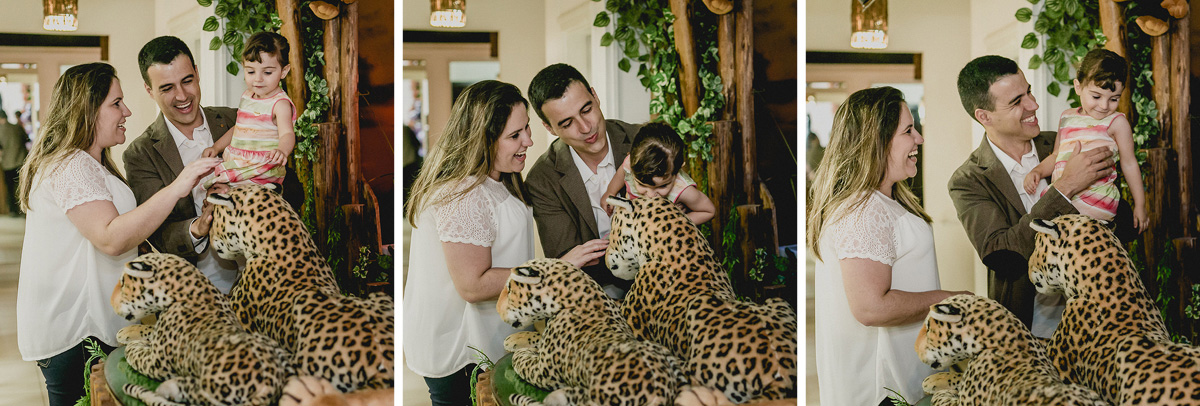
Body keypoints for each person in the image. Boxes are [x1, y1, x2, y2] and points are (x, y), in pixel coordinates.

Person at [16, 62, 221, 406]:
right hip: (78, 330)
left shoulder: (90, 163)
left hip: (92, 324)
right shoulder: (71, 165)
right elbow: (110, 238)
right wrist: (179, 185)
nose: (127, 111)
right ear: (87, 110)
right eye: (116, 103)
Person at [403, 80, 607, 405]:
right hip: (464, 355)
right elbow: (472, 285)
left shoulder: (497, 179)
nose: (529, 140)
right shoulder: (462, 194)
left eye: (526, 128)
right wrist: (555, 268)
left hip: (490, 340)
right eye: (515, 136)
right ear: (482, 139)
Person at [808, 86, 970, 405]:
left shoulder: (877, 202)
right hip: (882, 390)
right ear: (877, 142)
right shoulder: (863, 211)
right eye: (908, 131)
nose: (919, 138)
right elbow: (870, 307)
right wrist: (952, 299)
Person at [949, 55, 1127, 336]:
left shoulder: (1069, 139)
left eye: (1029, 91)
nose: (1033, 104)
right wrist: (1066, 187)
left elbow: (1126, 223)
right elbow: (1003, 257)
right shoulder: (969, 180)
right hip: (1029, 333)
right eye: (1016, 101)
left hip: (1102, 320)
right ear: (984, 116)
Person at [124, 36, 267, 293]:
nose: (182, 96)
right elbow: (156, 233)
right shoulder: (140, 154)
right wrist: (200, 226)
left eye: (187, 81)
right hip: (197, 292)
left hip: (268, 278)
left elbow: (292, 187)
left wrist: (249, 195)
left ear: (197, 73)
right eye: (167, 88)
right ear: (149, 90)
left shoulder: (238, 119)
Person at [526, 63, 636, 297]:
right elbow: (568, 260)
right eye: (567, 123)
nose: (586, 127)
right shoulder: (542, 180)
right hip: (591, 296)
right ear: (549, 128)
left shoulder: (642, 140)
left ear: (595, 96)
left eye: (586, 109)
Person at [1023, 48, 1148, 231]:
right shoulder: (1067, 117)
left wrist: (1140, 205)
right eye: (1096, 96)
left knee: (1055, 220)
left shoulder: (1117, 122)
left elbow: (1129, 164)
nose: (1104, 106)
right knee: (1045, 205)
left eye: (1114, 99)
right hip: (1066, 198)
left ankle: (1063, 228)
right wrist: (1038, 171)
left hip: (1098, 200)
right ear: (1078, 87)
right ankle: (1060, 229)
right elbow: (1057, 155)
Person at [202, 31, 296, 189]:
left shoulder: (279, 104)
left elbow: (287, 133)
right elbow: (238, 129)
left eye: (267, 72)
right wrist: (216, 147)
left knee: (238, 195)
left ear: (284, 71)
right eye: (251, 71)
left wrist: (282, 150)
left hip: (262, 171)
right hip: (239, 165)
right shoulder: (247, 96)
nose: (258, 78)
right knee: (218, 191)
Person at [601, 122, 715, 224]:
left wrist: (677, 221)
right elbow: (621, 173)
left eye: (662, 186)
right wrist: (610, 192)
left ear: (676, 172)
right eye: (642, 185)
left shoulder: (683, 190)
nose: (651, 195)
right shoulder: (630, 164)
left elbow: (708, 211)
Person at [0, 110, 28, 216]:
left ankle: (13, 211)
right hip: (21, 161)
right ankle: (23, 209)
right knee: (21, 186)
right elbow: (26, 139)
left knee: (10, 188)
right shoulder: (17, 127)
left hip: (7, 163)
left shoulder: (0, 131)